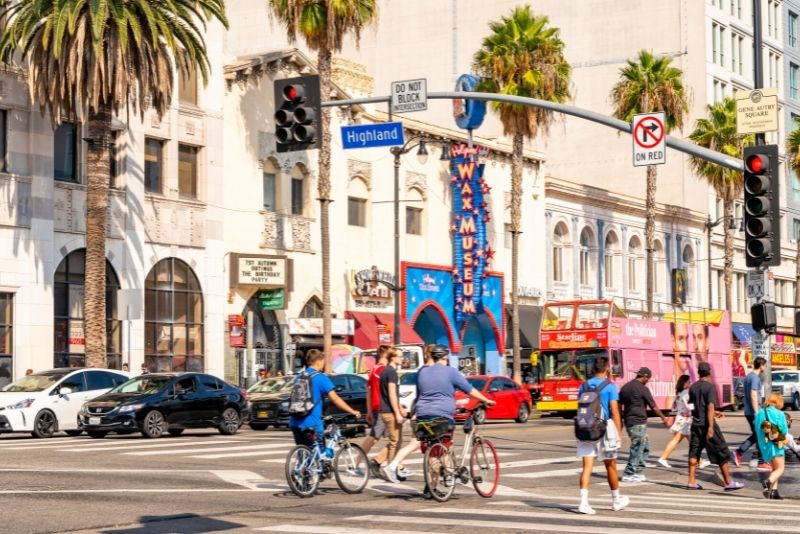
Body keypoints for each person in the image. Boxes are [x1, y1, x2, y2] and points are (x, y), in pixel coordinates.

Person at [381, 344, 495, 486]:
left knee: (430, 446)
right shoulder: (451, 372)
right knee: (445, 445)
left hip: (422, 414)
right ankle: (448, 476)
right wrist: (486, 400)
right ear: (445, 358)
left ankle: (403, 471)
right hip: (442, 415)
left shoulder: (422, 372)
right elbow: (470, 390)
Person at [577, 358, 629, 515]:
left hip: (585, 428)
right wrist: (619, 433)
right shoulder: (610, 387)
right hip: (603, 429)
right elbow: (614, 411)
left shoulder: (583, 385)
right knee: (610, 466)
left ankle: (583, 502)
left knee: (587, 467)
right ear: (606, 369)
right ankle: (616, 500)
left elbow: (580, 407)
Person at [288, 349, 361, 453]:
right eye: (323, 362)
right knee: (320, 457)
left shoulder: (298, 377)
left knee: (304, 455)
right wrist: (352, 411)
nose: (323, 365)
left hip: (295, 422)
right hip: (312, 424)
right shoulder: (320, 378)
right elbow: (335, 398)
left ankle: (299, 469)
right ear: (318, 361)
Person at [686, 361, 742, 491]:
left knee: (694, 451)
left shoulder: (693, 387)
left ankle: (691, 481)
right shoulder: (710, 387)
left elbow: (694, 406)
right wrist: (710, 426)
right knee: (721, 451)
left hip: (696, 424)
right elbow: (710, 405)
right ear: (709, 372)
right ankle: (728, 482)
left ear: (699, 372)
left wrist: (702, 415)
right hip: (707, 424)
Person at [619, 367, 669, 482]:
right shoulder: (642, 389)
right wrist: (663, 417)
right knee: (637, 447)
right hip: (638, 422)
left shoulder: (625, 387)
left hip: (629, 421)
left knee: (645, 447)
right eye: (648, 379)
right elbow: (653, 406)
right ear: (645, 377)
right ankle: (629, 473)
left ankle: (637, 471)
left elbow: (618, 404)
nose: (648, 381)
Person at [377, 347, 408, 472]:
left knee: (396, 440)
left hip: (386, 410)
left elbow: (391, 394)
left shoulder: (385, 371)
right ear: (393, 357)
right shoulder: (391, 373)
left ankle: (378, 460)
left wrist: (400, 408)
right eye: (400, 356)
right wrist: (398, 413)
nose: (402, 358)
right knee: (395, 441)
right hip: (389, 411)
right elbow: (391, 394)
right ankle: (391, 469)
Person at [733, 357, 766, 469]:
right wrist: (757, 412)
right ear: (761, 365)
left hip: (748, 411)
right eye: (764, 365)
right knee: (761, 435)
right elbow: (753, 395)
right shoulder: (755, 378)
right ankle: (762, 461)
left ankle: (739, 452)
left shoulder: (748, 377)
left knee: (757, 435)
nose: (765, 368)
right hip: (753, 412)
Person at [361, 345, 390, 476]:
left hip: (377, 407)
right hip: (383, 407)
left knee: (393, 439)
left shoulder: (373, 370)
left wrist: (368, 410)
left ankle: (387, 463)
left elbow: (369, 391)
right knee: (375, 437)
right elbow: (388, 392)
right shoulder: (383, 370)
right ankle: (358, 461)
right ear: (385, 355)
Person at [755, 393, 788, 499]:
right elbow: (784, 431)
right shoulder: (780, 414)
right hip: (776, 444)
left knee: (774, 468)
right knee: (780, 469)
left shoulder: (760, 412)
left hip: (764, 445)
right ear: (778, 402)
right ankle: (767, 482)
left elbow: (756, 428)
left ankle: (774, 492)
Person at [658, 375, 692, 468]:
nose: (690, 384)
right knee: (678, 440)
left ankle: (699, 460)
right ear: (685, 383)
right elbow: (689, 407)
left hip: (682, 420)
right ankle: (663, 458)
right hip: (684, 421)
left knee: (692, 442)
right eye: (689, 382)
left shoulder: (679, 393)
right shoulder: (686, 393)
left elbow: (675, 408)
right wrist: (696, 408)